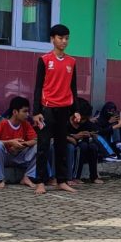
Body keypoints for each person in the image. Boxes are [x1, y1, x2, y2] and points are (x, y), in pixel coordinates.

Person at [32, 24, 80, 195]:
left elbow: (73, 88)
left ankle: (62, 181)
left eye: (67, 38)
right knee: (43, 146)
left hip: (64, 109)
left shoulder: (72, 62)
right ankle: (40, 182)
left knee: (62, 146)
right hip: (47, 109)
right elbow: (38, 87)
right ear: (52, 39)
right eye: (60, 38)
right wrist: (36, 112)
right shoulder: (44, 60)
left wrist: (75, 110)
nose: (64, 41)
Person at [0, 96, 38, 189]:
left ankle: (27, 177)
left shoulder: (26, 124)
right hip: (4, 157)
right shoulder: (2, 123)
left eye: (28, 111)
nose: (27, 114)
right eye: (25, 111)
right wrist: (10, 142)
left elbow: (35, 139)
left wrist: (22, 145)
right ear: (15, 112)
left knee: (39, 146)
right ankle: (0, 180)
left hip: (19, 157)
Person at [67, 101, 103, 184]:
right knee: (82, 146)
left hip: (83, 145)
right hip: (69, 145)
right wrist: (74, 136)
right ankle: (75, 177)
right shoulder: (66, 121)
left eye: (85, 119)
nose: (83, 121)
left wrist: (91, 134)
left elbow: (97, 130)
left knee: (93, 146)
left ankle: (94, 176)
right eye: (82, 118)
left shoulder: (86, 123)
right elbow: (59, 133)